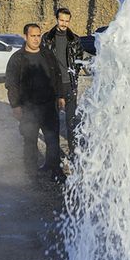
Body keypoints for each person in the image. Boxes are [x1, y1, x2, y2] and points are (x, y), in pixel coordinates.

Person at [5, 23, 66, 182]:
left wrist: (60, 96)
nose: (36, 39)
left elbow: (57, 75)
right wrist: (15, 106)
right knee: (30, 142)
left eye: (38, 35)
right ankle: (31, 173)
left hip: (48, 107)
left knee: (52, 140)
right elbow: (12, 85)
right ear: (25, 37)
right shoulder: (17, 59)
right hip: (28, 108)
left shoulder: (47, 55)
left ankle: (55, 170)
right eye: (33, 36)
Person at [41, 8, 85, 159]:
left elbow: (79, 59)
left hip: (69, 85)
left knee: (71, 122)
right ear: (56, 19)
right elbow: (43, 60)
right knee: (53, 123)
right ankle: (52, 157)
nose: (64, 23)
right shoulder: (47, 38)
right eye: (62, 20)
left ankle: (73, 154)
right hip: (52, 86)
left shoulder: (75, 39)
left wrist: (74, 75)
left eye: (67, 20)